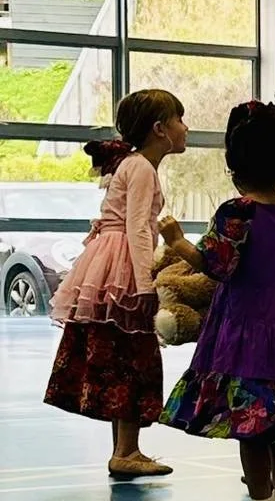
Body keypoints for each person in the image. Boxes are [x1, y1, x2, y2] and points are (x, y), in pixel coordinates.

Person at [159, 100, 275, 501]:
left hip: (250, 325)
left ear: (234, 164)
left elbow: (217, 265)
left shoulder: (237, 212)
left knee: (251, 422)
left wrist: (177, 242)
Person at [44, 88, 187, 479]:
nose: (185, 127)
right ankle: (126, 450)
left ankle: (125, 449)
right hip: (122, 265)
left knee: (121, 352)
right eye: (179, 120)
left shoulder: (132, 164)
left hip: (109, 261)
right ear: (160, 129)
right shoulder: (141, 168)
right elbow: (138, 227)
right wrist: (145, 283)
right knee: (135, 355)